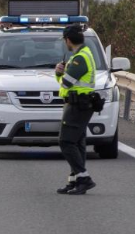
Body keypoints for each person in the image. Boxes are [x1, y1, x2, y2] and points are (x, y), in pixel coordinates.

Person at [55, 25, 97, 195]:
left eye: (65, 40)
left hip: (78, 105)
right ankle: (75, 180)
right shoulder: (84, 54)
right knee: (78, 143)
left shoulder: (80, 58)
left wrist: (59, 74)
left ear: (68, 40)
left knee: (65, 142)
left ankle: (84, 177)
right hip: (82, 104)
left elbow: (66, 84)